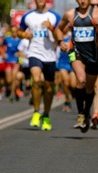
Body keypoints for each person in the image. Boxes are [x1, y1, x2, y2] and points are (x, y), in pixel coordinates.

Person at [58, 0, 98, 133]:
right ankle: (80, 114)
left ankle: (86, 113)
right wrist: (60, 41)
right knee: (81, 80)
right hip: (76, 52)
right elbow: (58, 29)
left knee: (90, 88)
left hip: (93, 55)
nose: (83, 1)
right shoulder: (70, 14)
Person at [19, 0, 64, 131]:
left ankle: (46, 115)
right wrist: (24, 34)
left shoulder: (55, 16)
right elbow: (17, 31)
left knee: (49, 88)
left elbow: (60, 37)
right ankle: (36, 111)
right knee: (37, 80)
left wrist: (51, 28)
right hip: (34, 53)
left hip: (50, 56)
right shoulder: (28, 16)